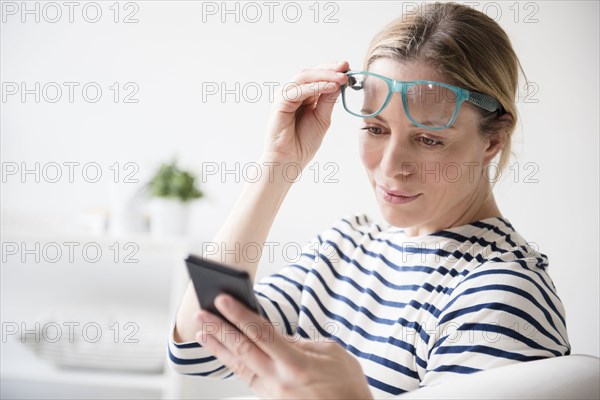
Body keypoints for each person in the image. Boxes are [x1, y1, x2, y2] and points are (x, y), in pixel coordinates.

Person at [168, 2, 570, 398]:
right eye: (376, 130)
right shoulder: (346, 247)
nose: (392, 167)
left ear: (492, 142)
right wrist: (278, 163)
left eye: (429, 139)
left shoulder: (503, 293)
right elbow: (200, 346)